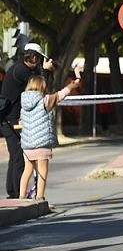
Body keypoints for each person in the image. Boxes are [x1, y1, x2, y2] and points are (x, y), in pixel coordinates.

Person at [19, 68, 81, 200]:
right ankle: (40, 197)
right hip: (41, 143)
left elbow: (21, 120)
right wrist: (74, 82)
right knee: (42, 171)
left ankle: (21, 196)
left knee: (27, 171)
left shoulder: (23, 104)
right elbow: (62, 94)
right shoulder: (45, 101)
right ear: (41, 87)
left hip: (27, 145)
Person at [1, 43, 52, 198]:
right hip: (10, 120)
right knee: (18, 158)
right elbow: (40, 87)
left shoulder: (22, 69)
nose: (38, 60)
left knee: (16, 157)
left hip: (10, 119)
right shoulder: (22, 71)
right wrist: (46, 71)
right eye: (38, 57)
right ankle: (16, 194)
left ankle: (13, 191)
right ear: (33, 56)